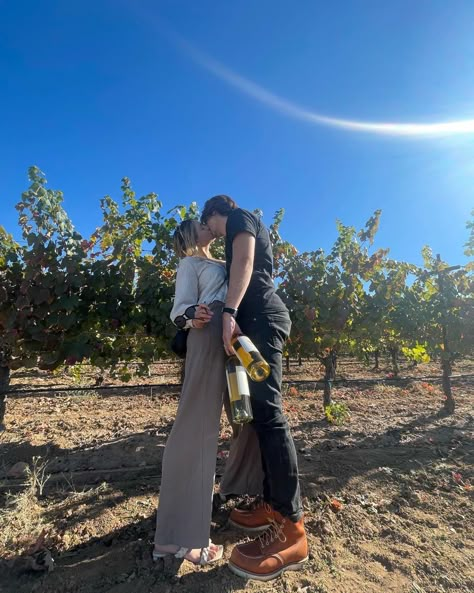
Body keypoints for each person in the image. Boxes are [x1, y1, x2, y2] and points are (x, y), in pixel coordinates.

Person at [201, 195, 308, 581]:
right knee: (261, 419)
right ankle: (273, 505)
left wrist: (229, 313)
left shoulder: (241, 218)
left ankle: (292, 529)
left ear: (216, 213)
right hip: (255, 322)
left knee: (271, 416)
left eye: (209, 225)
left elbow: (244, 261)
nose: (211, 233)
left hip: (262, 316)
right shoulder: (234, 227)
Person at [153, 219, 262, 565]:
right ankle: (176, 538)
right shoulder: (190, 263)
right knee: (197, 427)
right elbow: (178, 310)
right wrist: (191, 314)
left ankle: (238, 490)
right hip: (207, 333)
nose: (207, 227)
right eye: (201, 225)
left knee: (248, 416)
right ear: (190, 235)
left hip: (232, 337)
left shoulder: (223, 260)